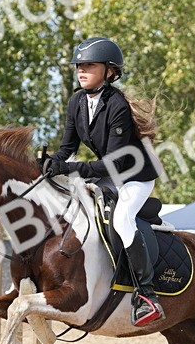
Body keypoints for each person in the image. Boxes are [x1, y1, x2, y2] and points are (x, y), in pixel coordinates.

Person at [42, 36, 164, 327]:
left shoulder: (117, 104)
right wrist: (49, 163)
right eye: (79, 65)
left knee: (121, 220)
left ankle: (146, 294)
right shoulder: (76, 101)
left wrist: (70, 168)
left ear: (109, 71)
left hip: (134, 176)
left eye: (89, 65)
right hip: (106, 172)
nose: (81, 70)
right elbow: (67, 148)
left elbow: (115, 162)